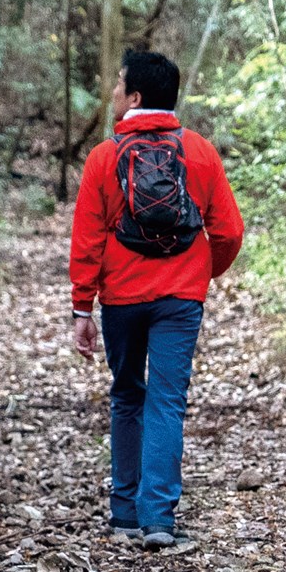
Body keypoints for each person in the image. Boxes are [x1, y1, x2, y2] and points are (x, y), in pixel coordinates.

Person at [69, 48, 244, 546]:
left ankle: (124, 513)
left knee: (127, 396)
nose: (114, 93)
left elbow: (87, 239)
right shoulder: (201, 153)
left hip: (121, 298)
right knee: (167, 402)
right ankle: (158, 521)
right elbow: (229, 231)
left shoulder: (104, 158)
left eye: (119, 84)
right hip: (179, 300)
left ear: (136, 97)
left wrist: (83, 307)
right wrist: (199, 274)